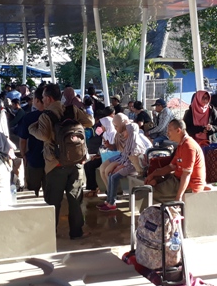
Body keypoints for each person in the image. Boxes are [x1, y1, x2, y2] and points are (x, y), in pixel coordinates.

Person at [29, 84, 95, 239]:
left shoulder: (46, 116)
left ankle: (50, 233)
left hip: (55, 164)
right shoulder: (72, 110)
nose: (42, 100)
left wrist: (32, 128)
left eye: (43, 97)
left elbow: (43, 135)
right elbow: (90, 122)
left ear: (48, 98)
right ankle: (77, 232)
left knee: (53, 200)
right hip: (76, 162)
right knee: (75, 199)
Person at [144, 119, 206, 203]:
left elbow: (186, 174)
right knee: (152, 183)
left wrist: (178, 197)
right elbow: (171, 167)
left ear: (178, 131)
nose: (167, 133)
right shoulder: (181, 144)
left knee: (150, 193)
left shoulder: (189, 146)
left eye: (169, 130)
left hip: (190, 185)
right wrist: (153, 175)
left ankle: (152, 211)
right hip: (177, 179)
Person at [98, 122, 152, 211]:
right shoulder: (130, 141)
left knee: (114, 177)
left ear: (130, 131)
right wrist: (119, 165)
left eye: (125, 130)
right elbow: (125, 156)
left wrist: (120, 167)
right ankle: (109, 200)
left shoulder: (135, 143)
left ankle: (112, 203)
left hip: (132, 167)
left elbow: (132, 160)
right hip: (127, 164)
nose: (123, 133)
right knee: (111, 175)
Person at [16, 87, 46, 197]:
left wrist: (23, 155)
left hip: (34, 157)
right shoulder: (56, 115)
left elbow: (23, 140)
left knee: (33, 190)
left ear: (37, 100)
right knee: (50, 191)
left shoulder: (29, 117)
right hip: (52, 159)